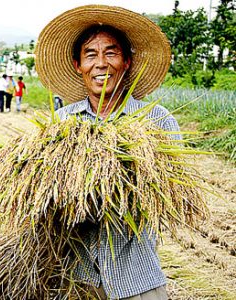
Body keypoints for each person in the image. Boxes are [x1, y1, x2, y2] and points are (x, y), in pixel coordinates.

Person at [35, 5, 178, 299]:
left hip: (137, 274)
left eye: (111, 53)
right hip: (76, 276)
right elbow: (41, 198)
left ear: (126, 62)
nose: (101, 63)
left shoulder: (155, 120)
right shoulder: (61, 123)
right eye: (91, 54)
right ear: (78, 65)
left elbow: (171, 192)